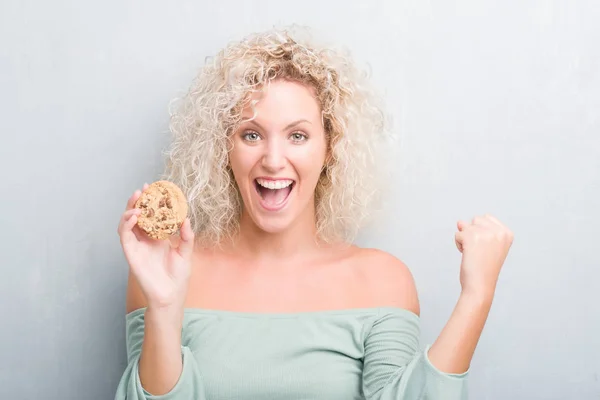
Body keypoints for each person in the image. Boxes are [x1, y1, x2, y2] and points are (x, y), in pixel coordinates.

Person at [114, 26, 514, 399]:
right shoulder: (167, 271)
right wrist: (165, 308)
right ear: (224, 147)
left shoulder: (381, 280)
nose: (273, 159)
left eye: (298, 136)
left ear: (330, 147)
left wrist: (477, 296)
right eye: (251, 134)